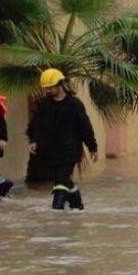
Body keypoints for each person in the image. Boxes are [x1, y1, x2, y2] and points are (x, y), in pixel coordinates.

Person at [26, 69, 97, 210]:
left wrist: (92, 147)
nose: (48, 91)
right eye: (46, 88)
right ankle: (77, 205)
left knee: (61, 179)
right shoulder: (44, 105)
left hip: (70, 151)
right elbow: (37, 125)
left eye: (50, 88)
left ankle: (56, 210)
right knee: (62, 179)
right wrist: (34, 141)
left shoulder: (75, 104)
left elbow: (85, 126)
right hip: (50, 151)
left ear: (60, 85)